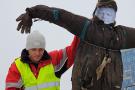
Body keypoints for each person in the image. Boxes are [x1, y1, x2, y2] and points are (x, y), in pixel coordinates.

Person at [15, 0, 135, 90]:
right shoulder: (87, 28)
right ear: (95, 13)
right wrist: (32, 12)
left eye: (109, 14)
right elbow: (60, 16)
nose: (104, 17)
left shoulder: (121, 36)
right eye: (101, 12)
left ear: (114, 17)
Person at [5, 31, 79, 90]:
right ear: (28, 49)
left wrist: (82, 29)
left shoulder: (52, 60)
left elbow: (72, 51)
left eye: (41, 49)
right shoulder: (17, 66)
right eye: (34, 49)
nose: (37, 53)